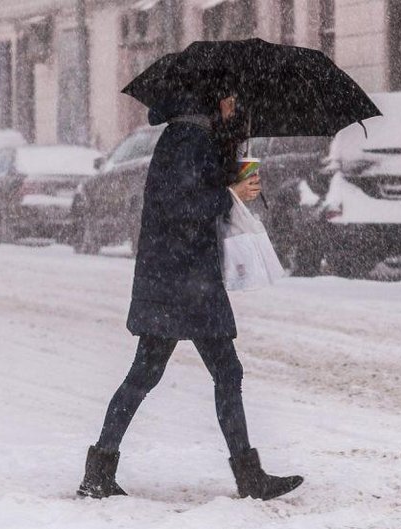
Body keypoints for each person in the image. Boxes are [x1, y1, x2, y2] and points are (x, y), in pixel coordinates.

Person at [78, 92, 303, 501]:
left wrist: (231, 169)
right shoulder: (187, 138)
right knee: (206, 372)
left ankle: (99, 469)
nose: (237, 105)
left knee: (159, 373)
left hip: (177, 276)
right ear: (216, 98)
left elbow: (192, 193)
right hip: (182, 279)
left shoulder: (191, 136)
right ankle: (247, 476)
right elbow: (184, 205)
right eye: (233, 98)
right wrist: (230, 191)